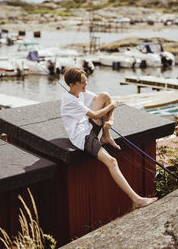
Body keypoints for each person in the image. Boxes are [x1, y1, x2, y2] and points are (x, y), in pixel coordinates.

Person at [61, 67, 157, 208]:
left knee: (104, 95)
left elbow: (103, 99)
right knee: (112, 161)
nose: (86, 84)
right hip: (83, 137)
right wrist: (112, 105)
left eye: (86, 81)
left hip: (88, 126)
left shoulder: (80, 92)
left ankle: (106, 135)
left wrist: (109, 119)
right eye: (83, 82)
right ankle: (136, 200)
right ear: (71, 85)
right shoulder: (70, 100)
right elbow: (95, 115)